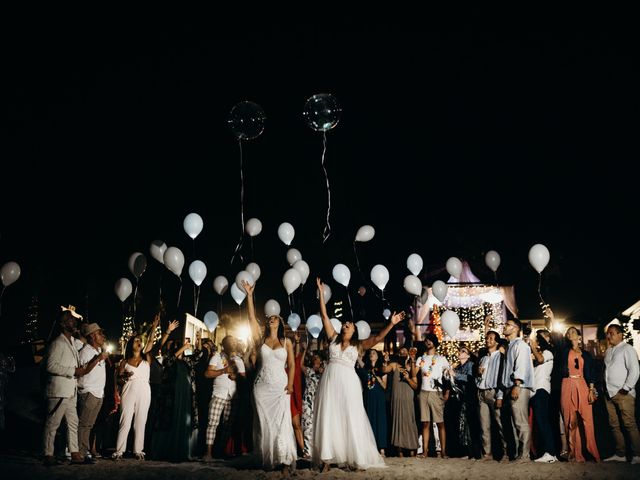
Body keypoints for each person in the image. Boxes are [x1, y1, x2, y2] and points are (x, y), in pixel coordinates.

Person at [312, 277, 404, 472]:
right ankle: (327, 459)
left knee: (351, 416)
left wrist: (392, 323)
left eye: (349, 324)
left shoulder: (359, 346)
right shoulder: (333, 339)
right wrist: (321, 293)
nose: (345, 324)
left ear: (354, 331)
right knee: (330, 416)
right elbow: (324, 316)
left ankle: (356, 456)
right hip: (330, 382)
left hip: (349, 383)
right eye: (345, 323)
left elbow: (378, 337)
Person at [42, 306, 107, 466]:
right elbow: (50, 366)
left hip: (70, 390)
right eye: (70, 320)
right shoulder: (57, 342)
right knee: (53, 423)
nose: (74, 322)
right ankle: (48, 454)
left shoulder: (71, 343)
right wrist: (73, 370)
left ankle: (75, 454)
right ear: (63, 325)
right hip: (59, 389)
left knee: (73, 423)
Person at [244, 280, 297, 476]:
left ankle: (283, 460)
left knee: (282, 422)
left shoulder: (287, 342)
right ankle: (268, 457)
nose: (271, 319)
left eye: (275, 317)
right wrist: (250, 296)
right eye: (269, 318)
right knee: (264, 423)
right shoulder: (260, 340)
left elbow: (291, 365)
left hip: (281, 387)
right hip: (261, 387)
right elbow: (251, 318)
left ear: (280, 322)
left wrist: (291, 383)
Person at [112, 316, 158, 461]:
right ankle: (119, 451)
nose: (139, 342)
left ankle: (138, 450)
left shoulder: (147, 359)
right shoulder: (124, 362)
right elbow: (118, 380)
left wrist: (154, 326)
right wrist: (124, 376)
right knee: (125, 420)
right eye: (136, 340)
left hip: (144, 390)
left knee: (141, 420)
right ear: (131, 344)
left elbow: (150, 341)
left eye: (140, 341)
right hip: (128, 389)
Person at [559, 326, 600, 463]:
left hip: (582, 384)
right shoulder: (564, 351)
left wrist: (591, 390)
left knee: (588, 421)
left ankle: (592, 453)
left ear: (579, 336)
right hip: (567, 384)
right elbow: (555, 338)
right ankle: (575, 454)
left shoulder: (586, 354)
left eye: (573, 332)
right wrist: (552, 319)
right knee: (570, 420)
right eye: (568, 332)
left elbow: (591, 372)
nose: (570, 333)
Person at [203, 334, 246, 461]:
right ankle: (208, 453)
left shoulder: (239, 360)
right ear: (224, 344)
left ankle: (220, 451)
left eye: (233, 341)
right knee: (212, 423)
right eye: (229, 342)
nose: (232, 343)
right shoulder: (217, 357)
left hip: (233, 396)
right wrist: (223, 371)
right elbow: (207, 373)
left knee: (228, 425)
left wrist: (237, 377)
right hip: (219, 394)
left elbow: (244, 378)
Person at [602, 323, 640, 464]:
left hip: (623, 393)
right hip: (609, 394)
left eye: (612, 333)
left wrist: (627, 387)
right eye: (608, 333)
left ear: (620, 335)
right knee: (614, 425)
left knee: (629, 424)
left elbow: (635, 370)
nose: (608, 335)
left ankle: (637, 455)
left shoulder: (627, 349)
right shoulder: (609, 351)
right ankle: (621, 454)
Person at [500, 318, 535, 463]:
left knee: (520, 422)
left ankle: (525, 455)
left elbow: (521, 365)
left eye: (507, 325)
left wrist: (517, 384)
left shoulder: (520, 345)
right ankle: (517, 454)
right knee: (513, 422)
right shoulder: (510, 346)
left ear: (515, 328)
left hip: (518, 386)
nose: (505, 326)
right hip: (510, 386)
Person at [76, 322, 109, 462]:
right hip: (88, 392)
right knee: (83, 424)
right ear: (92, 336)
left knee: (89, 425)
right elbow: (81, 371)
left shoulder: (97, 351)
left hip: (98, 393)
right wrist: (98, 359)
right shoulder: (85, 352)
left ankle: (83, 451)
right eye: (100, 333)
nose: (103, 336)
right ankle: (80, 452)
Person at [416, 332, 450, 459]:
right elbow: (414, 373)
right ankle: (425, 451)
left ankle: (443, 451)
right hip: (423, 392)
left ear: (435, 343)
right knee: (425, 423)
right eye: (426, 340)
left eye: (430, 340)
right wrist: (413, 358)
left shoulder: (441, 359)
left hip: (436, 392)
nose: (428, 342)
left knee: (440, 423)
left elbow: (447, 375)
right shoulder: (421, 359)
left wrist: (447, 391)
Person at [476, 330, 507, 461]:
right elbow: (478, 379)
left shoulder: (499, 357)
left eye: (491, 338)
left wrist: (499, 396)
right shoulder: (483, 358)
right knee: (484, 426)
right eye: (487, 338)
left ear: (496, 341)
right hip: (481, 393)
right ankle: (487, 454)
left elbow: (501, 378)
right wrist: (478, 374)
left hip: (493, 392)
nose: (488, 340)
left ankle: (506, 453)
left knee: (500, 424)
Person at [382, 347, 419, 457]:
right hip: (397, 397)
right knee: (397, 421)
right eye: (401, 351)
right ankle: (400, 451)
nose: (403, 352)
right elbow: (384, 370)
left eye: (405, 350)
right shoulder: (394, 365)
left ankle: (412, 450)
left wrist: (408, 377)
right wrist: (385, 361)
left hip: (408, 398)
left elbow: (415, 385)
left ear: (408, 353)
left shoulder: (411, 366)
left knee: (409, 421)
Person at [529, 329, 557, 463]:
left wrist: (532, 345)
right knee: (539, 423)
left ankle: (550, 453)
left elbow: (540, 359)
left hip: (542, 389)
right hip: (534, 391)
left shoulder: (548, 352)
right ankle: (546, 452)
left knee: (543, 421)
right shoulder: (537, 352)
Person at [361, 349, 388, 457]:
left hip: (379, 396)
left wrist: (376, 376)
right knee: (369, 419)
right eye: (370, 353)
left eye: (374, 353)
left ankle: (382, 449)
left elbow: (385, 386)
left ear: (377, 357)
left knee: (380, 420)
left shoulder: (382, 368)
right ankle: (370, 447)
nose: (371, 355)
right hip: (368, 396)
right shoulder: (365, 368)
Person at [300, 345, 323, 459]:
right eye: (315, 360)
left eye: (318, 361)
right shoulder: (308, 371)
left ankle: (317, 451)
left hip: (319, 401)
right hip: (308, 401)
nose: (316, 363)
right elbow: (300, 365)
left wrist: (322, 370)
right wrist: (304, 351)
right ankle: (307, 451)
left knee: (318, 425)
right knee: (307, 425)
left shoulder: (324, 373)